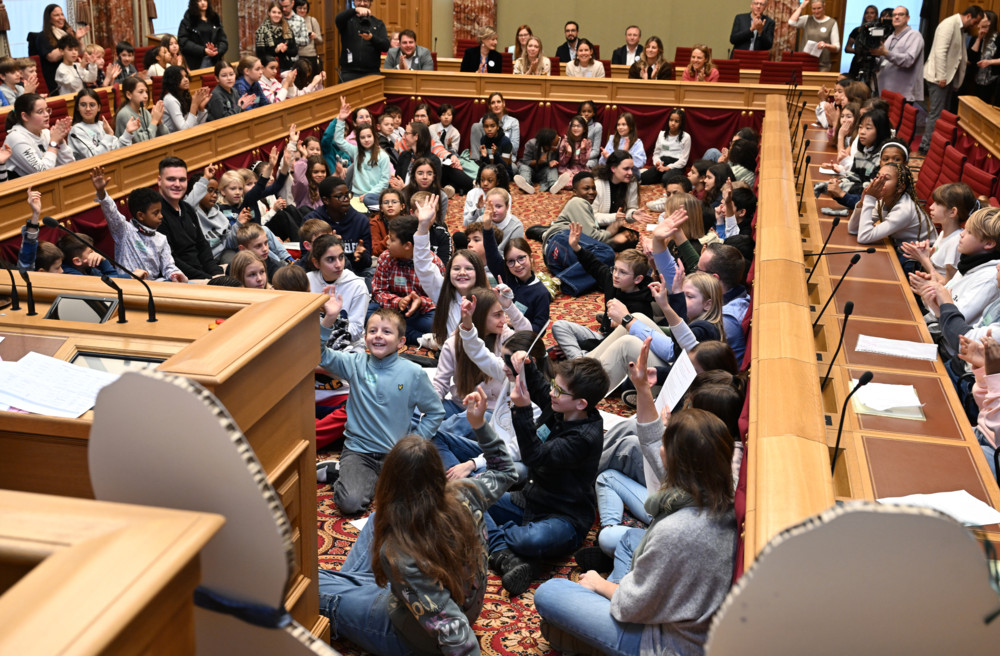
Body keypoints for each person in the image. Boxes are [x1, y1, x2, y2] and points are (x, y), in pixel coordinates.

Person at [534, 353, 736, 656]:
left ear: (678, 460)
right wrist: (643, 389)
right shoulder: (717, 493)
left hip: (661, 640)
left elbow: (631, 607)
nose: (660, 447)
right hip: (666, 611)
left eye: (666, 442)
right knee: (628, 540)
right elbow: (650, 441)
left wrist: (599, 586)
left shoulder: (678, 527)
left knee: (550, 592)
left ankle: (587, 634)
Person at [317, 385, 515, 656]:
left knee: (309, 585)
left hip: (416, 637)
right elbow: (505, 470)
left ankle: (352, 594)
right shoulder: (465, 493)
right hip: (464, 603)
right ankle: (355, 590)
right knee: (377, 521)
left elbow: (454, 630)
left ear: (388, 481)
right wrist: (479, 424)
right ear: (437, 473)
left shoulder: (399, 550)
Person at [485, 356, 610, 596]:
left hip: (564, 517)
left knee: (529, 541)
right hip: (529, 500)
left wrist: (521, 410)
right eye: (554, 384)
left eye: (559, 390)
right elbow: (542, 389)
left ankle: (498, 543)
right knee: (468, 498)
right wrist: (527, 364)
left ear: (581, 403)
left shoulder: (583, 438)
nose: (552, 392)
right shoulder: (564, 407)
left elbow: (534, 456)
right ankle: (506, 553)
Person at [316, 302, 445, 516]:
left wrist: (415, 440)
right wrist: (329, 318)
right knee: (351, 504)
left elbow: (435, 412)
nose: (378, 336)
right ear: (365, 337)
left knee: (416, 503)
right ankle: (339, 471)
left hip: (396, 454)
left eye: (387, 332)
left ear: (401, 342)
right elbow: (320, 354)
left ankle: (362, 477)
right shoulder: (355, 363)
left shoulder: (414, 373)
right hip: (359, 451)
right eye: (372, 331)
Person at [551, 222, 653, 360]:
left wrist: (620, 326)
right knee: (559, 326)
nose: (616, 275)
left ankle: (580, 362)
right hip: (602, 335)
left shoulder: (642, 307)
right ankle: (581, 359)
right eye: (615, 269)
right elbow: (594, 264)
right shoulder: (613, 281)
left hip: (615, 349)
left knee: (567, 348)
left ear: (637, 279)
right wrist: (576, 247)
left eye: (622, 272)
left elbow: (635, 345)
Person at [89, 166, 187, 282]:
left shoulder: (161, 239)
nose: (161, 216)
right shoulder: (124, 231)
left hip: (155, 285)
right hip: (129, 285)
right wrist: (101, 192)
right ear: (141, 215)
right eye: (156, 213)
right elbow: (111, 212)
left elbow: (168, 267)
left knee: (192, 286)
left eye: (160, 212)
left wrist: (175, 274)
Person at [921, 5, 985, 154]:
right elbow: (940, 52)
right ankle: (926, 146)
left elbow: (957, 55)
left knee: (943, 114)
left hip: (947, 79)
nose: (975, 26)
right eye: (975, 22)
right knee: (936, 114)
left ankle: (935, 145)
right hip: (939, 78)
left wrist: (956, 81)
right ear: (969, 16)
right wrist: (942, 76)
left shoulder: (960, 27)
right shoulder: (950, 24)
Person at [156, 156, 224, 280]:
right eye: (171, 179)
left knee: (247, 266)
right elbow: (171, 260)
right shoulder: (156, 214)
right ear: (160, 181)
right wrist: (208, 278)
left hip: (204, 273)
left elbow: (202, 246)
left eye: (182, 180)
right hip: (182, 279)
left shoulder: (187, 208)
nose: (177, 184)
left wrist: (216, 273)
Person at [697, 243, 750, 361]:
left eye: (698, 269)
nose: (695, 273)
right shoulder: (739, 296)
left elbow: (676, 351)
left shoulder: (726, 319)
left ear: (714, 278)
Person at [3, 93, 73, 177]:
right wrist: (53, 143)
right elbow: (43, 172)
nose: (47, 114)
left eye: (47, 110)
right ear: (25, 116)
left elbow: (70, 164)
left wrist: (60, 140)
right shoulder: (16, 138)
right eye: (40, 112)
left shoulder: (46, 132)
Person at [872, 6, 925, 103]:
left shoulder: (914, 35)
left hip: (902, 95)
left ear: (908, 18)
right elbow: (884, 61)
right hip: (885, 92)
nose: (896, 17)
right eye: (894, 15)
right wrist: (872, 55)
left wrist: (886, 53)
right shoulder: (890, 37)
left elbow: (908, 61)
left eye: (900, 14)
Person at [69, 89, 138, 160]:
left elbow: (117, 149)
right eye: (83, 105)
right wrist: (108, 135)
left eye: (92, 105)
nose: (88, 109)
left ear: (99, 108)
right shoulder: (76, 131)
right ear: (77, 108)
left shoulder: (102, 125)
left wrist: (127, 132)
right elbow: (93, 157)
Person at [35, 4, 89, 94]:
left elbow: (81, 51)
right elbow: (52, 57)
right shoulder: (43, 36)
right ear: (49, 19)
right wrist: (71, 39)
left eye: (62, 14)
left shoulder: (67, 32)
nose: (61, 18)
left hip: (74, 75)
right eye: (56, 15)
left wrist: (78, 39)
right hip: (58, 79)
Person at [335, 0, 388, 81]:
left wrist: (371, 38)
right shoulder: (347, 21)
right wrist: (354, 10)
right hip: (348, 73)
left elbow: (385, 46)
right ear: (354, 2)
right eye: (359, 0)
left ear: (370, 3)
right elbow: (338, 19)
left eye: (366, 1)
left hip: (371, 73)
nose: (362, 3)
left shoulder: (378, 23)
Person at [641, 108, 691, 186]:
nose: (673, 123)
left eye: (676, 121)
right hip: (662, 163)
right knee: (644, 178)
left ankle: (664, 175)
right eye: (671, 120)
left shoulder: (686, 137)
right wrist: (657, 163)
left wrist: (668, 168)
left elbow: (683, 160)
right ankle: (660, 174)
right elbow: (656, 153)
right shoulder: (661, 134)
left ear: (681, 123)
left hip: (676, 165)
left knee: (666, 179)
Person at [788, 0, 841, 72]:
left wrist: (826, 45)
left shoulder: (832, 22)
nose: (816, 11)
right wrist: (801, 7)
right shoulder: (807, 19)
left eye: (819, 8)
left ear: (824, 7)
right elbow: (791, 22)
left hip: (822, 64)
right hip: (805, 62)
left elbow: (837, 47)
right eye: (814, 9)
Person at [178, 0, 229, 69]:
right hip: (196, 62)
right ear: (194, 3)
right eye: (199, 1)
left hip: (215, 60)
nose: (203, 3)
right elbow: (183, 42)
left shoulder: (214, 19)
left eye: (205, 0)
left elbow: (223, 41)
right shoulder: (188, 21)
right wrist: (203, 50)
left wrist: (217, 51)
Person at [114, 77, 166, 142]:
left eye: (146, 92)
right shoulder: (124, 114)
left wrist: (159, 121)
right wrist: (154, 121)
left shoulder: (144, 111)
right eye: (141, 92)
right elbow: (143, 142)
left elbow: (166, 135)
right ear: (129, 95)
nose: (146, 96)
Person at [161, 66, 211, 133]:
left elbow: (195, 125)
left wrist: (201, 109)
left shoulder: (184, 96)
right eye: (181, 78)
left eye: (186, 76)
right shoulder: (170, 99)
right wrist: (194, 105)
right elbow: (184, 129)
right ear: (172, 81)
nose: (186, 79)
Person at [515, 127, 563, 194]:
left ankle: (554, 185)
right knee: (524, 168)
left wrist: (551, 163)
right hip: (530, 169)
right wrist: (540, 161)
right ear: (547, 145)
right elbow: (526, 161)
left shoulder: (555, 150)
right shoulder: (531, 144)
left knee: (552, 169)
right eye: (556, 144)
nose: (558, 145)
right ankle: (526, 185)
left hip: (542, 172)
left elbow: (553, 163)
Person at [967, 10, 1000, 105]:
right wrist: (978, 39)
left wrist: (989, 62)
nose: (980, 19)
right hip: (975, 79)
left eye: (983, 17)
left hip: (992, 80)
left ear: (989, 22)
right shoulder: (976, 37)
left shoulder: (998, 38)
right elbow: (971, 58)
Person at [256, 1, 299, 72]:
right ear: (269, 13)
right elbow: (260, 55)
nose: (276, 15)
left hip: (287, 67)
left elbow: (294, 52)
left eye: (279, 13)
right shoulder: (262, 30)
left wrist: (285, 50)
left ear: (282, 14)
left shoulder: (287, 29)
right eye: (274, 12)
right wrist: (275, 50)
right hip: (269, 69)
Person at [845, 4, 879, 80]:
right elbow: (847, 48)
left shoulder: (878, 31)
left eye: (872, 13)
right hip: (858, 61)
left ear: (876, 15)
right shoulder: (857, 30)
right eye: (866, 13)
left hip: (873, 62)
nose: (869, 15)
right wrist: (860, 50)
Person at [294, 0, 323, 74]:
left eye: (305, 8)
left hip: (311, 57)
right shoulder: (292, 21)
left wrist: (315, 36)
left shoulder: (312, 20)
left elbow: (320, 41)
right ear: (295, 8)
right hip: (297, 57)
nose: (302, 10)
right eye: (300, 8)